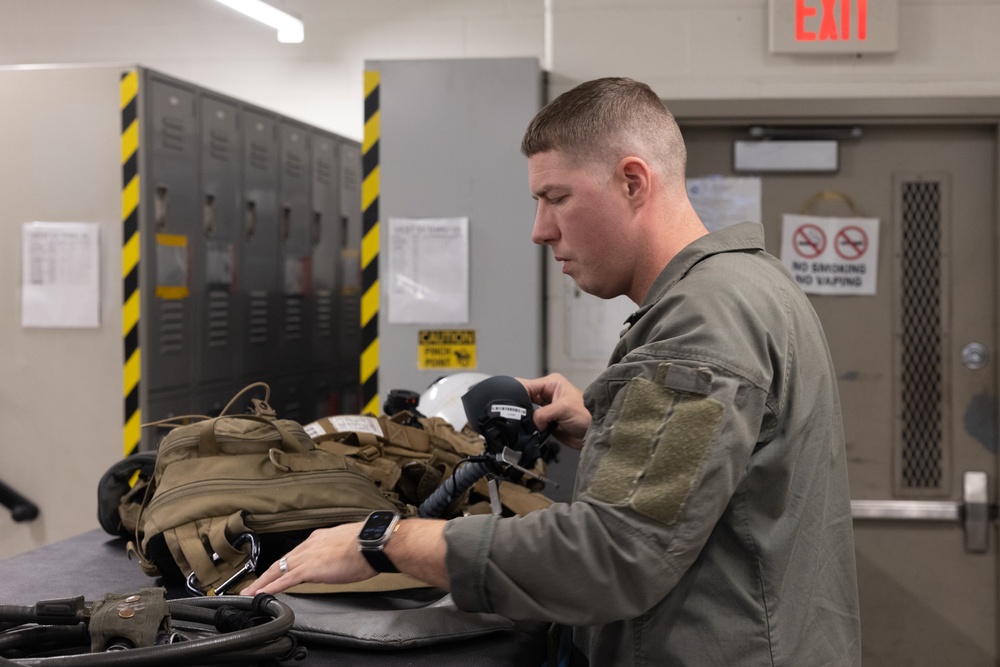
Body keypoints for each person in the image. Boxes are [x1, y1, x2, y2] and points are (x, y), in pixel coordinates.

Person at [243, 77, 862, 665]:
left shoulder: (699, 323)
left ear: (632, 182)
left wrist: (385, 542)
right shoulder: (752, 283)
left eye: (556, 198)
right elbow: (740, 474)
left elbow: (613, 556)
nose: (540, 231)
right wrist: (607, 427)